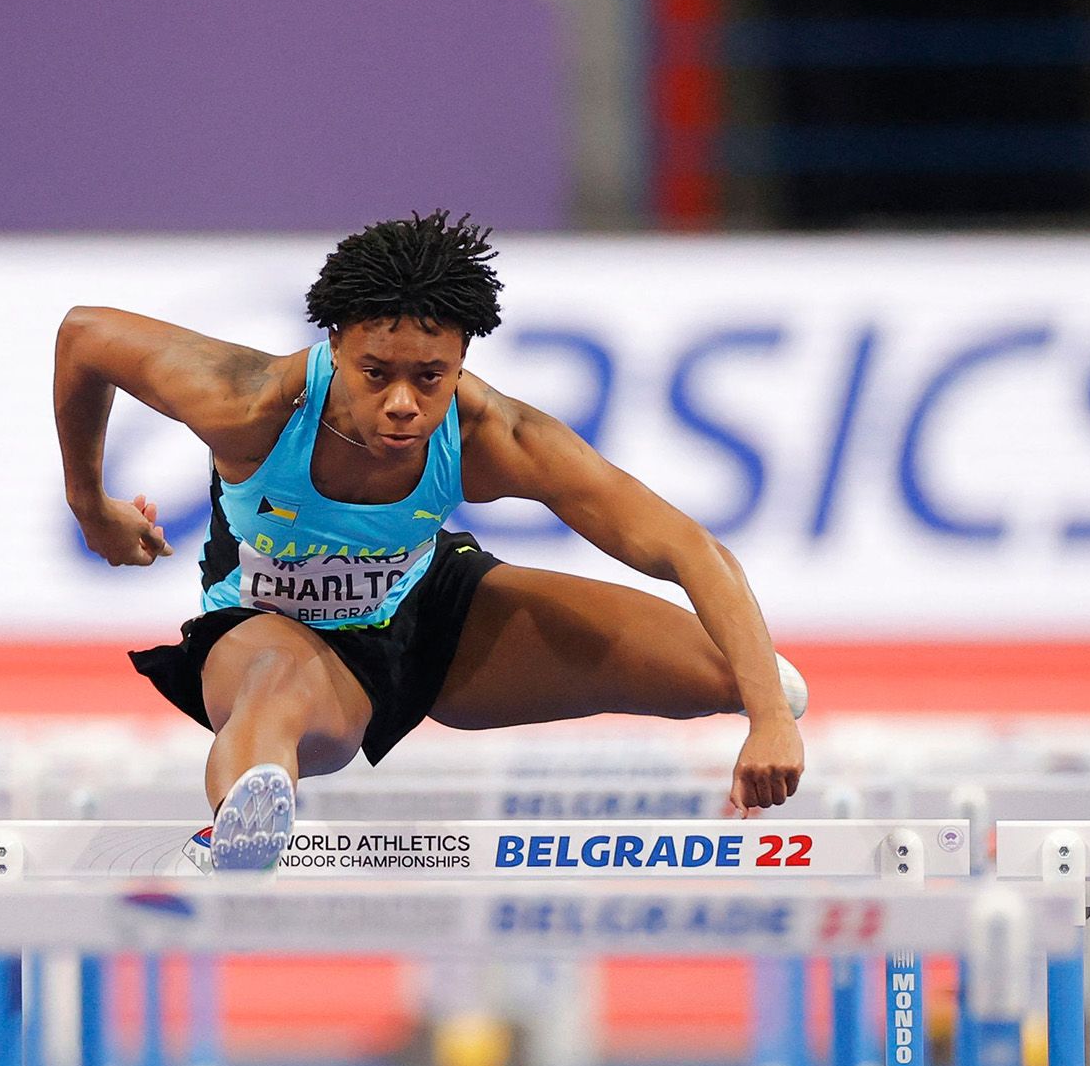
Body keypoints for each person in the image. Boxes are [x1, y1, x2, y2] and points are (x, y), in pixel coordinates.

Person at [53, 211, 809, 871]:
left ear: (464, 360)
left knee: (751, 676)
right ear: (336, 342)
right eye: (375, 374)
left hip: (429, 611)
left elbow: (687, 548)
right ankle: (243, 833)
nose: (403, 405)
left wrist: (768, 718)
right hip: (269, 633)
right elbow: (84, 335)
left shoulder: (493, 435)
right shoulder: (248, 402)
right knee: (276, 687)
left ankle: (763, 694)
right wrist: (92, 507)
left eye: (431, 377)